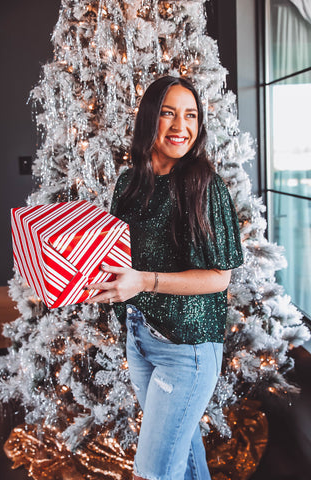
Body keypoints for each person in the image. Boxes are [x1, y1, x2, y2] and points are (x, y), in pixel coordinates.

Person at [85, 76, 243, 480]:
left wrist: (145, 282)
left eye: (190, 115)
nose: (180, 127)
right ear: (149, 119)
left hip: (186, 348)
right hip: (140, 337)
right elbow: (116, 252)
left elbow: (219, 278)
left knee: (153, 471)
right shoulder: (130, 182)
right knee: (185, 455)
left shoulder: (204, 185)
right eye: (168, 113)